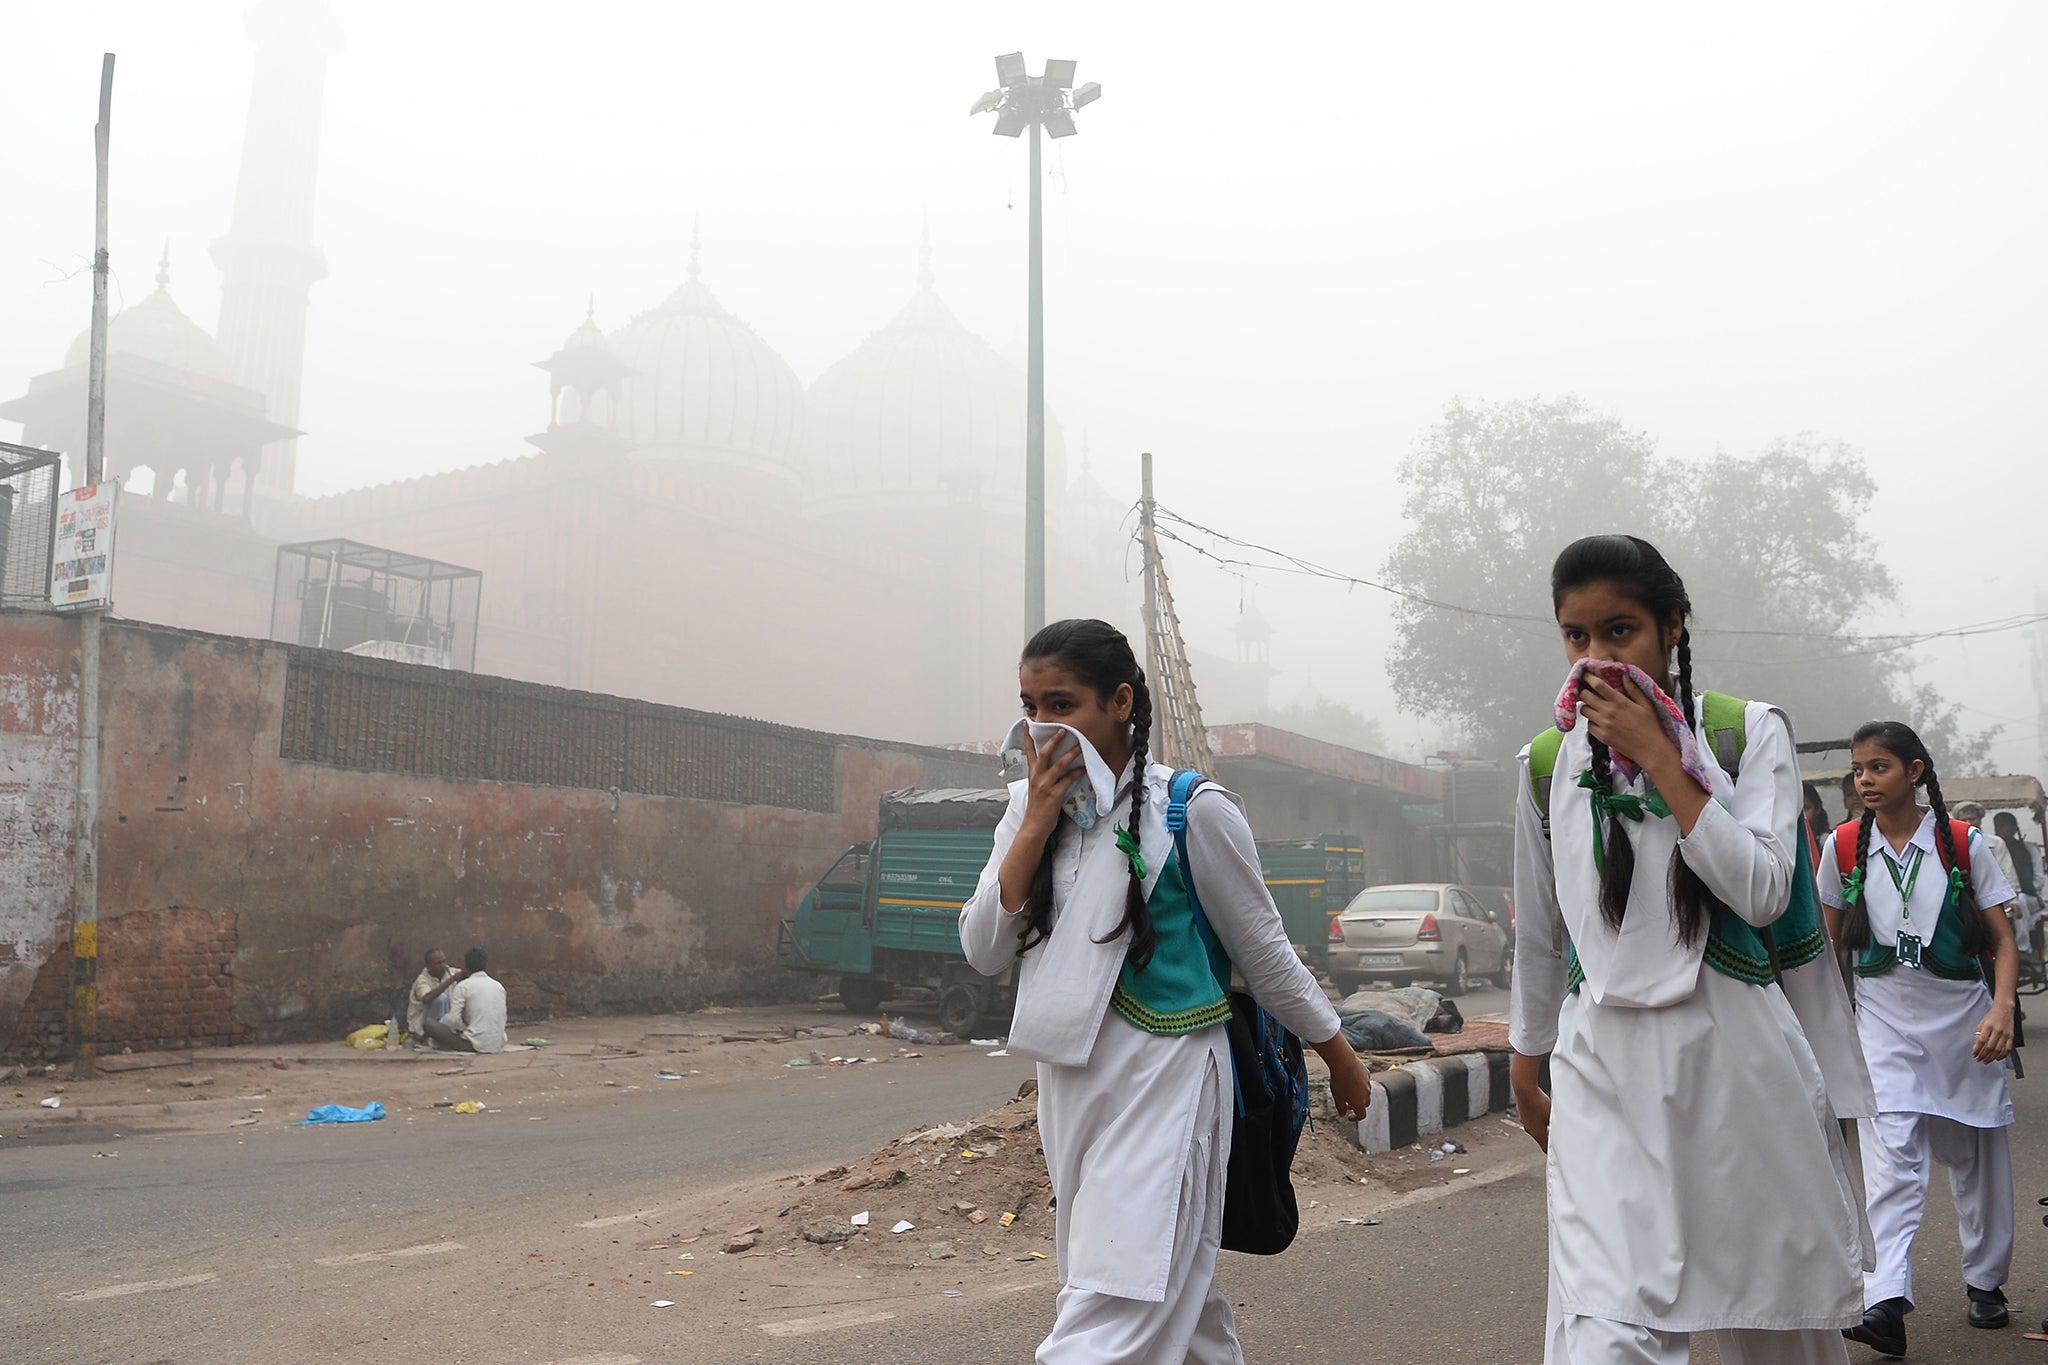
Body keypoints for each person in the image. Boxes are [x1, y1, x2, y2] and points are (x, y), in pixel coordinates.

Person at [959, 618, 1374, 1364]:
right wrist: (1033, 826)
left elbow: (1265, 951)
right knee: (1159, 1290)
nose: (1043, 727)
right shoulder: (1027, 811)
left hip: (1173, 1074)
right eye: (1031, 706)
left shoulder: (1195, 809)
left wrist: (1337, 1052)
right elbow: (983, 947)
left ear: (1120, 703)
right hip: (1069, 1080)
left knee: (1121, 1297)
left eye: (1063, 704)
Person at [1509, 534, 1866, 1364]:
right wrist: (1528, 1061)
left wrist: (1665, 760)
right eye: (1576, 636)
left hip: (1737, 1067)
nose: (1597, 660)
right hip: (1602, 1068)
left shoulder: (1747, 734)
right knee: (1602, 1334)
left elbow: (1766, 891)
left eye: (1620, 630)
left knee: (1777, 1322)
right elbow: (1540, 932)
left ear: (1674, 626)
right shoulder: (1543, 763)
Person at [1817, 723, 2020, 1353]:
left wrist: (2004, 1009)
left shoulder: (1961, 844)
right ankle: (1886, 1300)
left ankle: (1985, 1281)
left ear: (1915, 770)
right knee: (1891, 1157)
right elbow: (1823, 947)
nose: (1865, 781)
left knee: (1974, 1157)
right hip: (1882, 1022)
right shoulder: (1843, 845)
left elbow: (2003, 940)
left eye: (1879, 768)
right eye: (1858, 771)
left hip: (1965, 1020)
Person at [424, 948, 507, 1054]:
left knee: (429, 1024)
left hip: (473, 1044)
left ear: (466, 966)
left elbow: (454, 1020)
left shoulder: (463, 986)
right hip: (498, 1043)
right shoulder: (498, 986)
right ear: (486, 965)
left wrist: (463, 1030)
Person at [1991, 810, 2039, 955]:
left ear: (2014, 827)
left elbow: (2038, 878)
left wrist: (2018, 893)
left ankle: (2022, 948)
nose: (2002, 830)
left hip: (2029, 897)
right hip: (2002, 898)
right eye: (1998, 826)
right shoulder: (1993, 849)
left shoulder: (2028, 848)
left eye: (2005, 826)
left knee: (2020, 901)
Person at [406, 948, 461, 1044]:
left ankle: (443, 1034)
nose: (443, 965)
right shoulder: (422, 980)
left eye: (444, 961)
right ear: (428, 966)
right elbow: (426, 998)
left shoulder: (451, 972)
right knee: (440, 999)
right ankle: (429, 1036)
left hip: (445, 1017)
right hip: (423, 1020)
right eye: (438, 963)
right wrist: (451, 980)